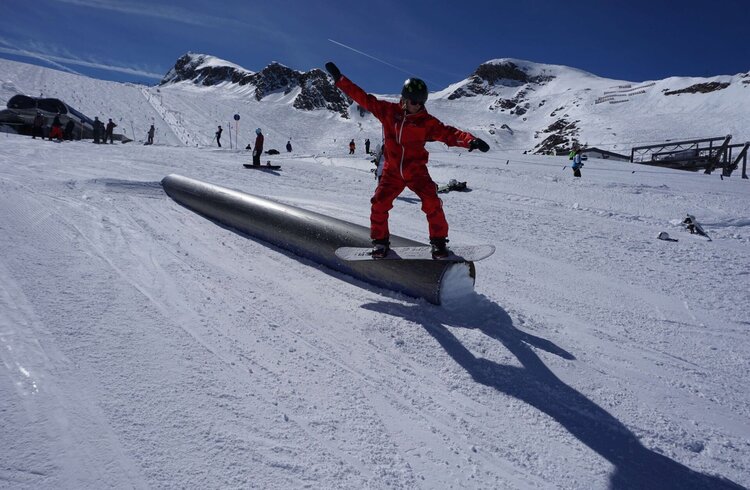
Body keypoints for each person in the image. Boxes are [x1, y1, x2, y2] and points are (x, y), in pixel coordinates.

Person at [325, 61, 489, 259]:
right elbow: (363, 98)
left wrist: (470, 140)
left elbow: (449, 133)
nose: (417, 106)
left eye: (421, 102)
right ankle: (380, 242)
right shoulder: (388, 112)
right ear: (404, 99)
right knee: (379, 204)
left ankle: (438, 243)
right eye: (414, 101)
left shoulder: (426, 122)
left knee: (432, 202)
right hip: (392, 171)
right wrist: (340, 81)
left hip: (416, 172)